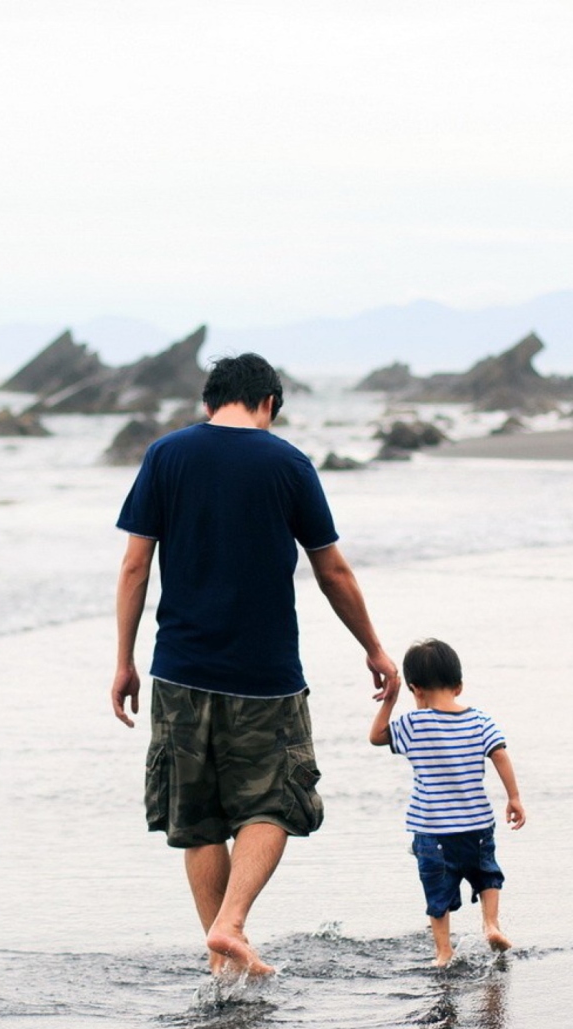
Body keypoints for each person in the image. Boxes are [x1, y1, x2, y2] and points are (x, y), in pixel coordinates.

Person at [112, 352, 396, 980]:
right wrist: (372, 647)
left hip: (179, 671)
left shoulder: (166, 455)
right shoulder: (288, 463)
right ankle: (231, 925)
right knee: (272, 801)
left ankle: (222, 964)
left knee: (198, 815)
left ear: (211, 401)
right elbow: (332, 571)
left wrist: (125, 661)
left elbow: (135, 567)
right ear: (269, 402)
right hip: (265, 675)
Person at [369, 638, 525, 966]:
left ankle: (443, 952)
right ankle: (491, 924)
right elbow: (500, 755)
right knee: (487, 874)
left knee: (437, 891)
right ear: (459, 686)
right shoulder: (480, 720)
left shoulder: (413, 724)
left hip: (432, 830)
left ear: (416, 690)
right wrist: (514, 798)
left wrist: (391, 699)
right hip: (477, 824)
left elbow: (377, 736)